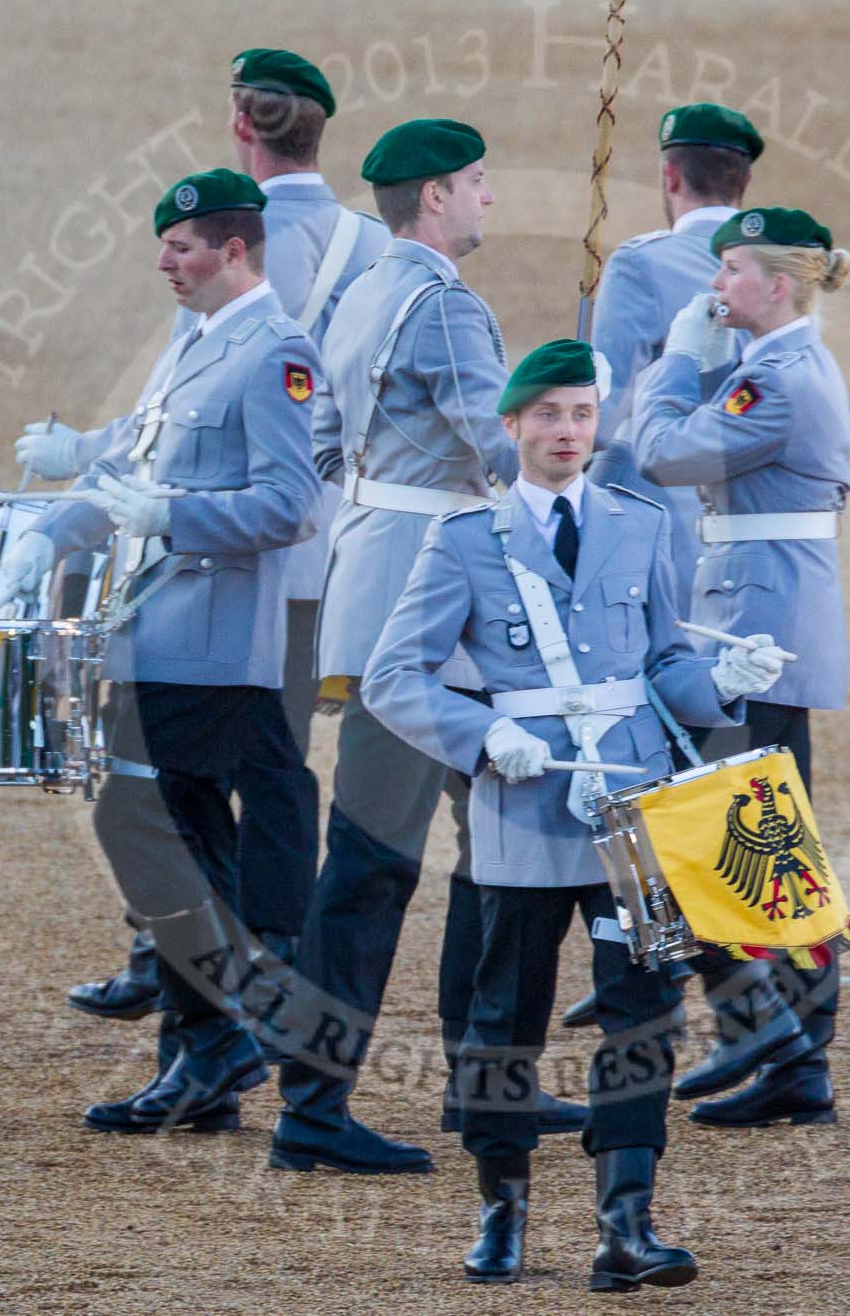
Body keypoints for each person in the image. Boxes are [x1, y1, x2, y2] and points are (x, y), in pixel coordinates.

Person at [363, 339, 790, 1288]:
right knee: (505, 1015)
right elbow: (394, 676)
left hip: (632, 809)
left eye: (582, 414)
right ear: (511, 426)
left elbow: (662, 663)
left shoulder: (640, 523)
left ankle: (625, 1224)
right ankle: (500, 1208)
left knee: (642, 1014)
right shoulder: (468, 539)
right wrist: (478, 737)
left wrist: (717, 681)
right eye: (549, 414)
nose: (567, 432)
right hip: (523, 801)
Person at [31, 49, 390, 1025]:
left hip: (240, 547)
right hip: (325, 557)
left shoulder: (246, 304)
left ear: (242, 122)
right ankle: (227, 959)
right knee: (248, 769)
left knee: (213, 768)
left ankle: (209, 958)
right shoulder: (372, 250)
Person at [266, 118, 582, 1175]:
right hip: (427, 606)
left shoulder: (360, 290)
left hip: (382, 578)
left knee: (491, 848)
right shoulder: (443, 304)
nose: (490, 198)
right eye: (478, 184)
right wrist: (570, 411)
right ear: (437, 196)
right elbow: (499, 452)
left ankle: (481, 1085)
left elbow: (325, 445)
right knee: (373, 862)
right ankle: (314, 1111)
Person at [0, 169, 324, 1132]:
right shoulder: (194, 339)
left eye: (181, 249)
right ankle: (200, 1055)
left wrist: (172, 516)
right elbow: (133, 461)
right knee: (191, 843)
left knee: (146, 830)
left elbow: (288, 506)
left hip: (214, 642)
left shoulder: (275, 352)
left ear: (232, 251)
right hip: (158, 634)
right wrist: (54, 528)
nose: (164, 262)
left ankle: (218, 1036)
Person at [631, 206, 850, 1129]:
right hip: (763, 601)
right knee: (765, 836)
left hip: (757, 618)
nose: (715, 288)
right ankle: (788, 1051)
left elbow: (659, 452)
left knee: (754, 837)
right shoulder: (783, 367)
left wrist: (673, 361)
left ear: (776, 284)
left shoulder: (777, 378)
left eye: (730, 272)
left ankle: (776, 1035)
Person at [587, 102, 760, 594]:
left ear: (670, 175)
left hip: (657, 516)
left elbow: (602, 407)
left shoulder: (641, 264)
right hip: (751, 516)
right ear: (743, 182)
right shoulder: (779, 270)